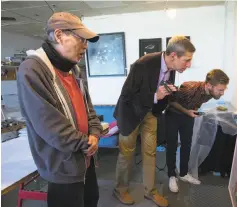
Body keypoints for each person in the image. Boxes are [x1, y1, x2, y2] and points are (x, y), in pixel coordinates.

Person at [17, 12, 103, 207]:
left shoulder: (73, 69)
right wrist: (85, 142)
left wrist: (95, 134)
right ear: (58, 35)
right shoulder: (32, 70)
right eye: (81, 39)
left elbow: (88, 109)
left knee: (91, 201)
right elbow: (51, 127)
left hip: (86, 158)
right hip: (63, 167)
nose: (86, 45)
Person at [113, 36, 196, 207]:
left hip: (151, 113)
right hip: (130, 114)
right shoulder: (143, 64)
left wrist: (167, 93)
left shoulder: (172, 68)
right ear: (173, 55)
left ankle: (150, 191)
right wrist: (155, 96)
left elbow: (159, 89)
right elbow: (127, 96)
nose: (188, 65)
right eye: (186, 60)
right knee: (126, 154)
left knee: (150, 153)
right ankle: (120, 190)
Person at [166, 69, 229, 193]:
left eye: (223, 89)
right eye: (220, 90)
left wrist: (193, 110)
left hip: (187, 115)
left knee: (187, 145)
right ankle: (172, 176)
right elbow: (171, 101)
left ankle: (183, 174)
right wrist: (186, 111)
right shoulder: (189, 88)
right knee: (172, 146)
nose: (222, 93)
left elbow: (196, 102)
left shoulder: (212, 93)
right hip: (172, 115)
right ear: (209, 85)